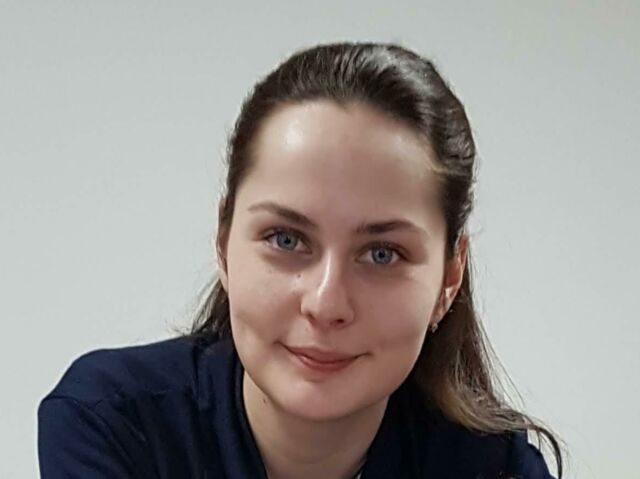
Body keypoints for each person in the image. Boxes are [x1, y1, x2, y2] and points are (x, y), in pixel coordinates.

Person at [38, 42, 564, 478]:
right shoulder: (110, 423)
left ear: (449, 278)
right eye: (286, 239)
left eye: (382, 254)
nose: (326, 303)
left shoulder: (496, 468)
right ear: (224, 242)